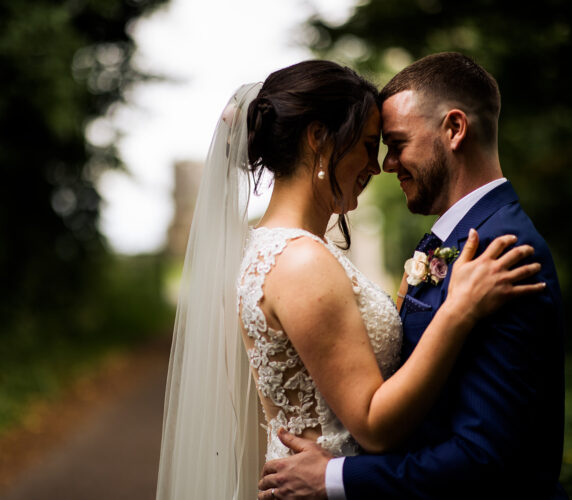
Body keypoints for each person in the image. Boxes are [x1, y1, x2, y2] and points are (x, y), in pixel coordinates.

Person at [156, 59, 545, 500]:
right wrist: (457, 311)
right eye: (367, 144)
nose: (377, 166)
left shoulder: (272, 248)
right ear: (318, 138)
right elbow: (372, 425)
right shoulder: (300, 261)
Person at [257, 53, 567, 499]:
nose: (386, 164)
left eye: (396, 143)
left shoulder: (503, 250)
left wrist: (335, 478)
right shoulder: (453, 240)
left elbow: (490, 456)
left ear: (455, 129)